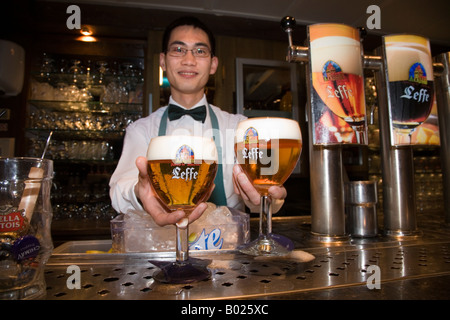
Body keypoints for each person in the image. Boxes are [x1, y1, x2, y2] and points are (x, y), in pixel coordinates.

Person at [109, 16, 287, 227]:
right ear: (163, 61)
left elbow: (264, 189)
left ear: (213, 64)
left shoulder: (240, 128)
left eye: (200, 51)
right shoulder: (141, 130)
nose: (189, 60)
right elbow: (118, 192)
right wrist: (138, 191)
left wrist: (268, 199)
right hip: (164, 250)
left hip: (229, 254)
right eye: (178, 49)